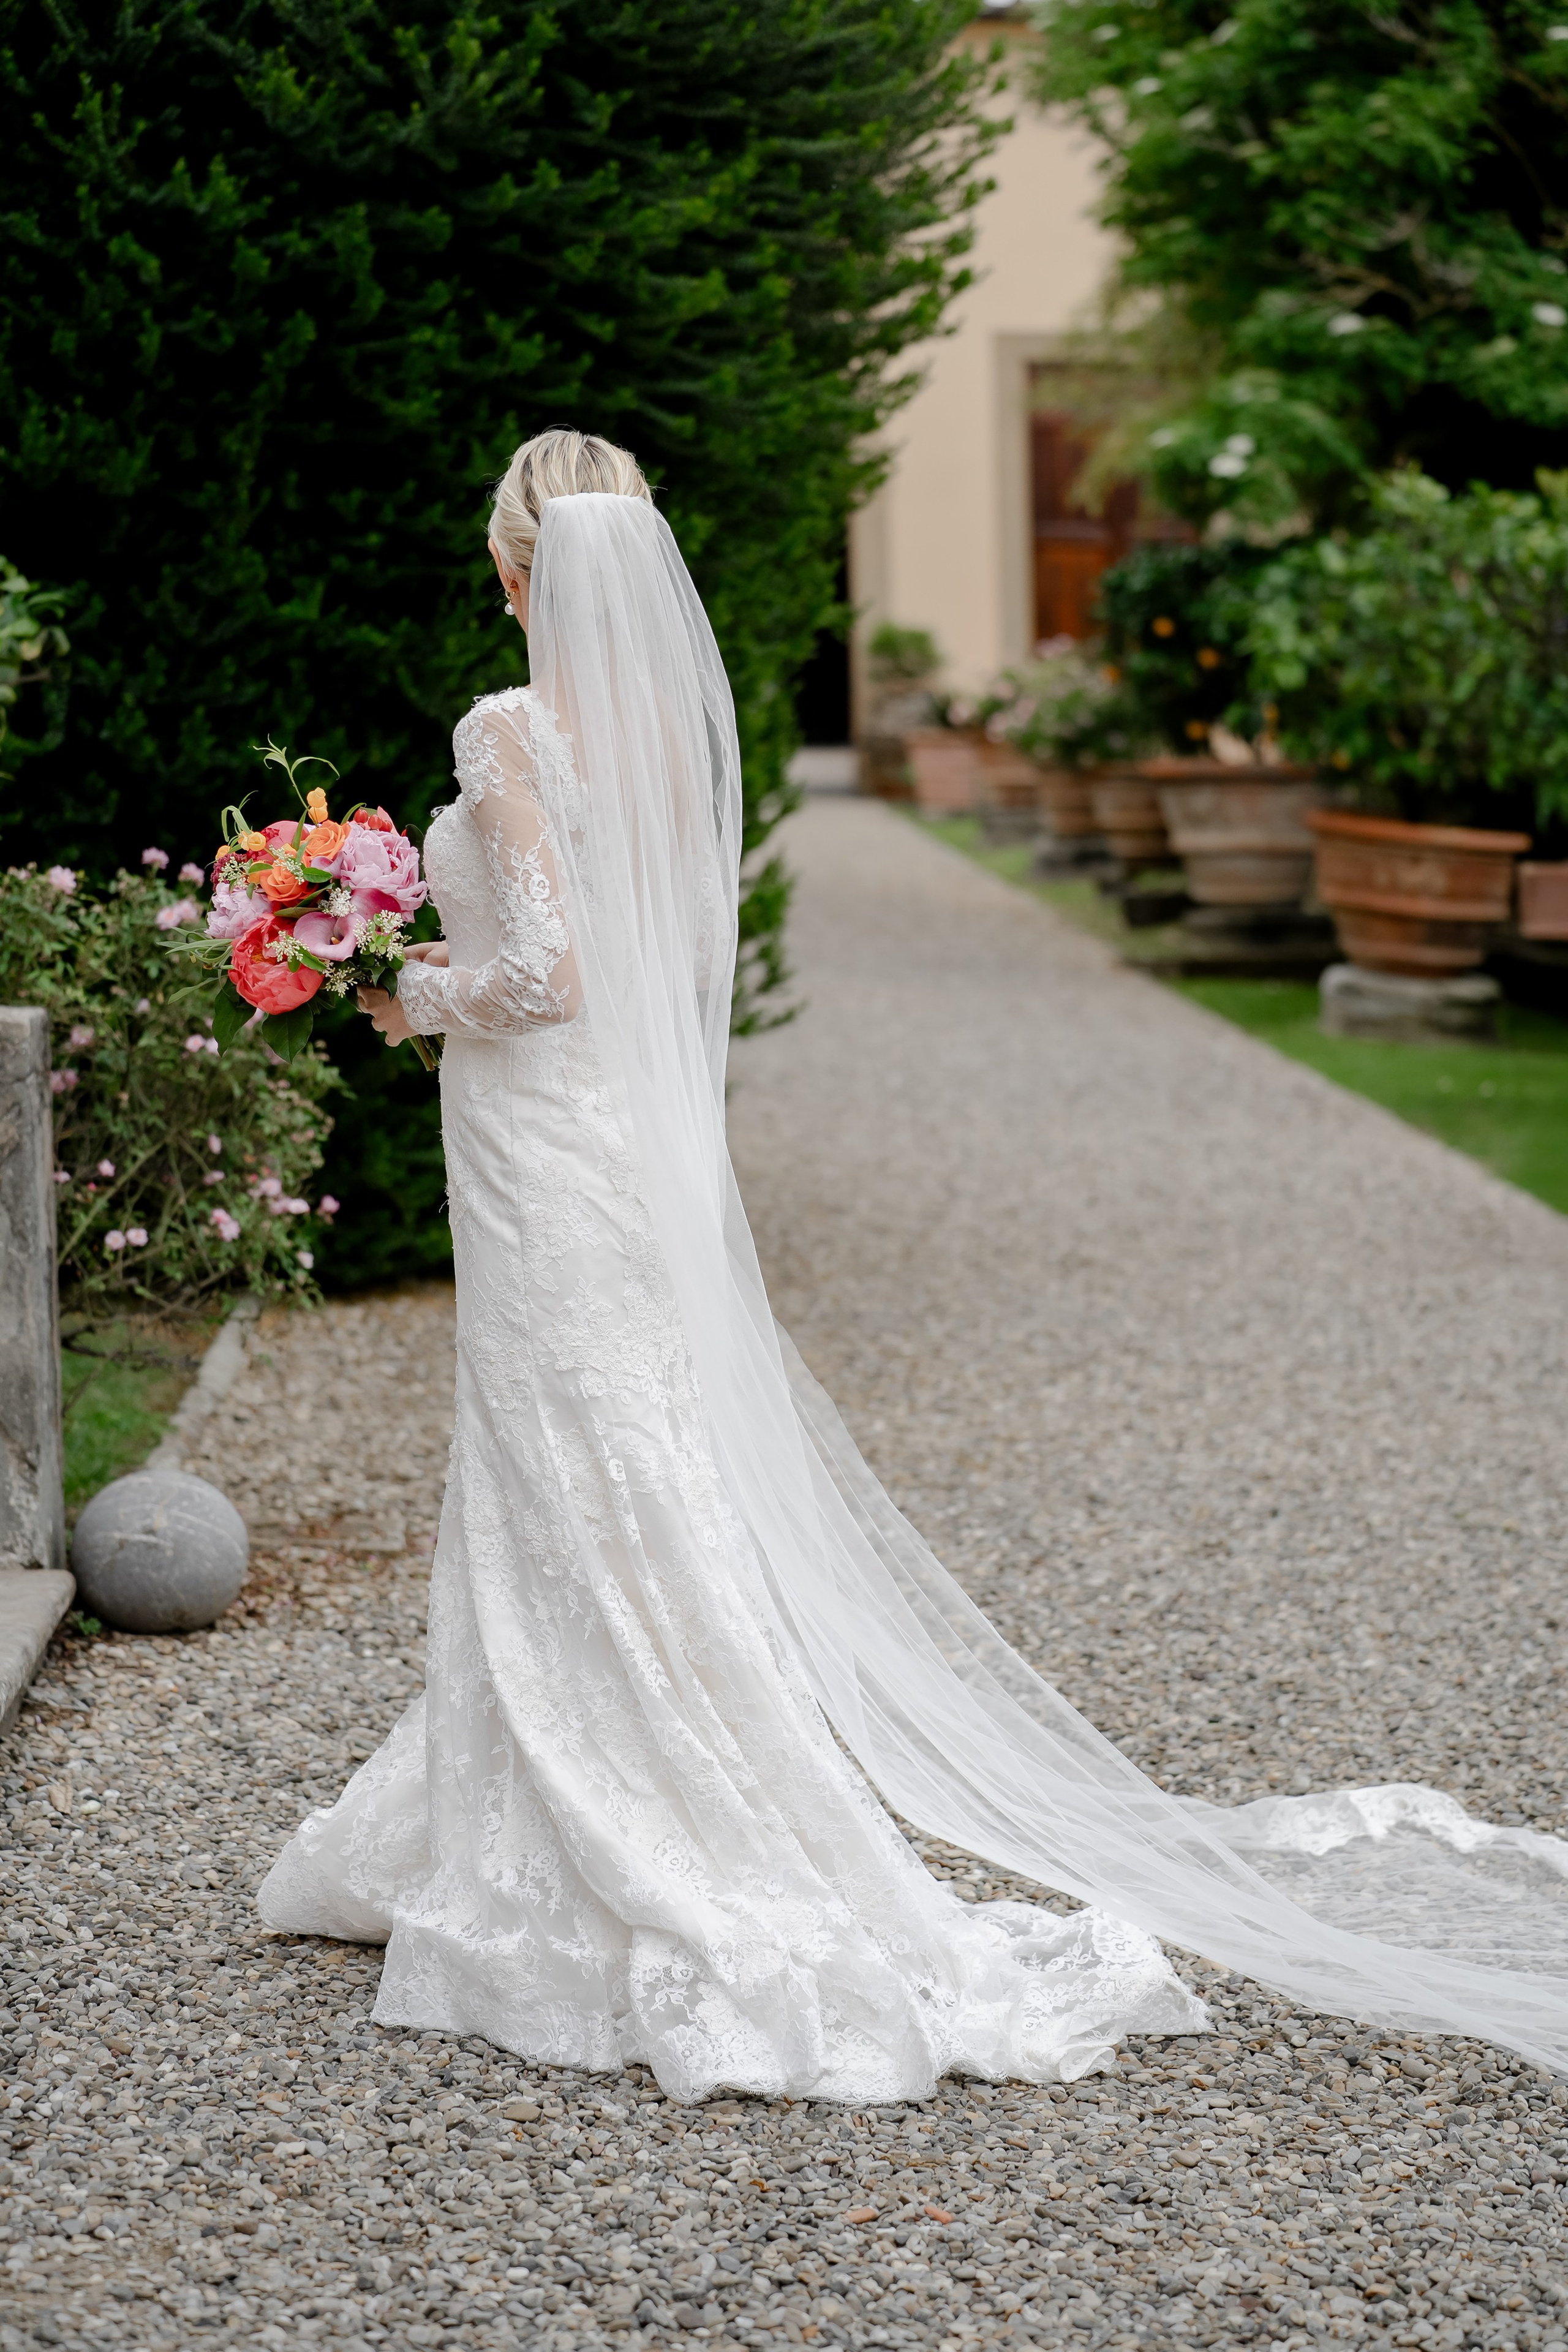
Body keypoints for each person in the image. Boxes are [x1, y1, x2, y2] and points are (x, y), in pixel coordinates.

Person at [260, 430, 1568, 2101]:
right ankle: (550, 1793)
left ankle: (623, 1823)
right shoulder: (671, 725)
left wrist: (403, 986)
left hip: (546, 1151)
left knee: (569, 1466)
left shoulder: (508, 727)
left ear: (513, 567)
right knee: (614, 1464)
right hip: (625, 1157)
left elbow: (550, 977)